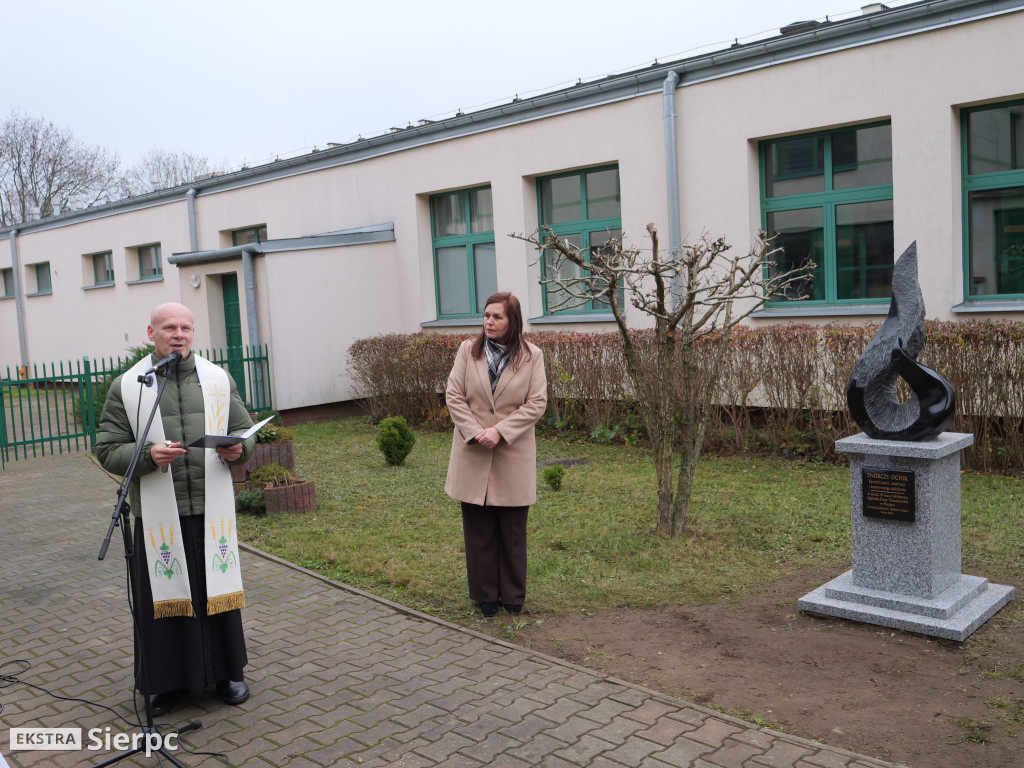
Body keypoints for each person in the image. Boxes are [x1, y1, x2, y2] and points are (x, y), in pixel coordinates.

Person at [95, 302, 255, 716]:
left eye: (186, 327)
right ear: (152, 333)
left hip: (209, 509)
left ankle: (228, 674)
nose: (178, 334)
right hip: (157, 519)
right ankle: (167, 685)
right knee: (162, 604)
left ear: (193, 332)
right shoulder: (128, 386)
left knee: (215, 594)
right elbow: (108, 450)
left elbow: (242, 430)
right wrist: (147, 454)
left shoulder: (217, 378)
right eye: (169, 327)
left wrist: (240, 448)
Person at [445, 292, 547, 617]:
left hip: (512, 454)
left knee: (512, 532)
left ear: (512, 321)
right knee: (478, 530)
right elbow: (454, 395)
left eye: (497, 317)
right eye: (486, 315)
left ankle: (514, 598)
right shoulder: (467, 351)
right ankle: (486, 597)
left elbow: (536, 403)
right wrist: (476, 431)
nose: (489, 322)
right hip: (472, 451)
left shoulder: (533, 356)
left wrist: (499, 431)